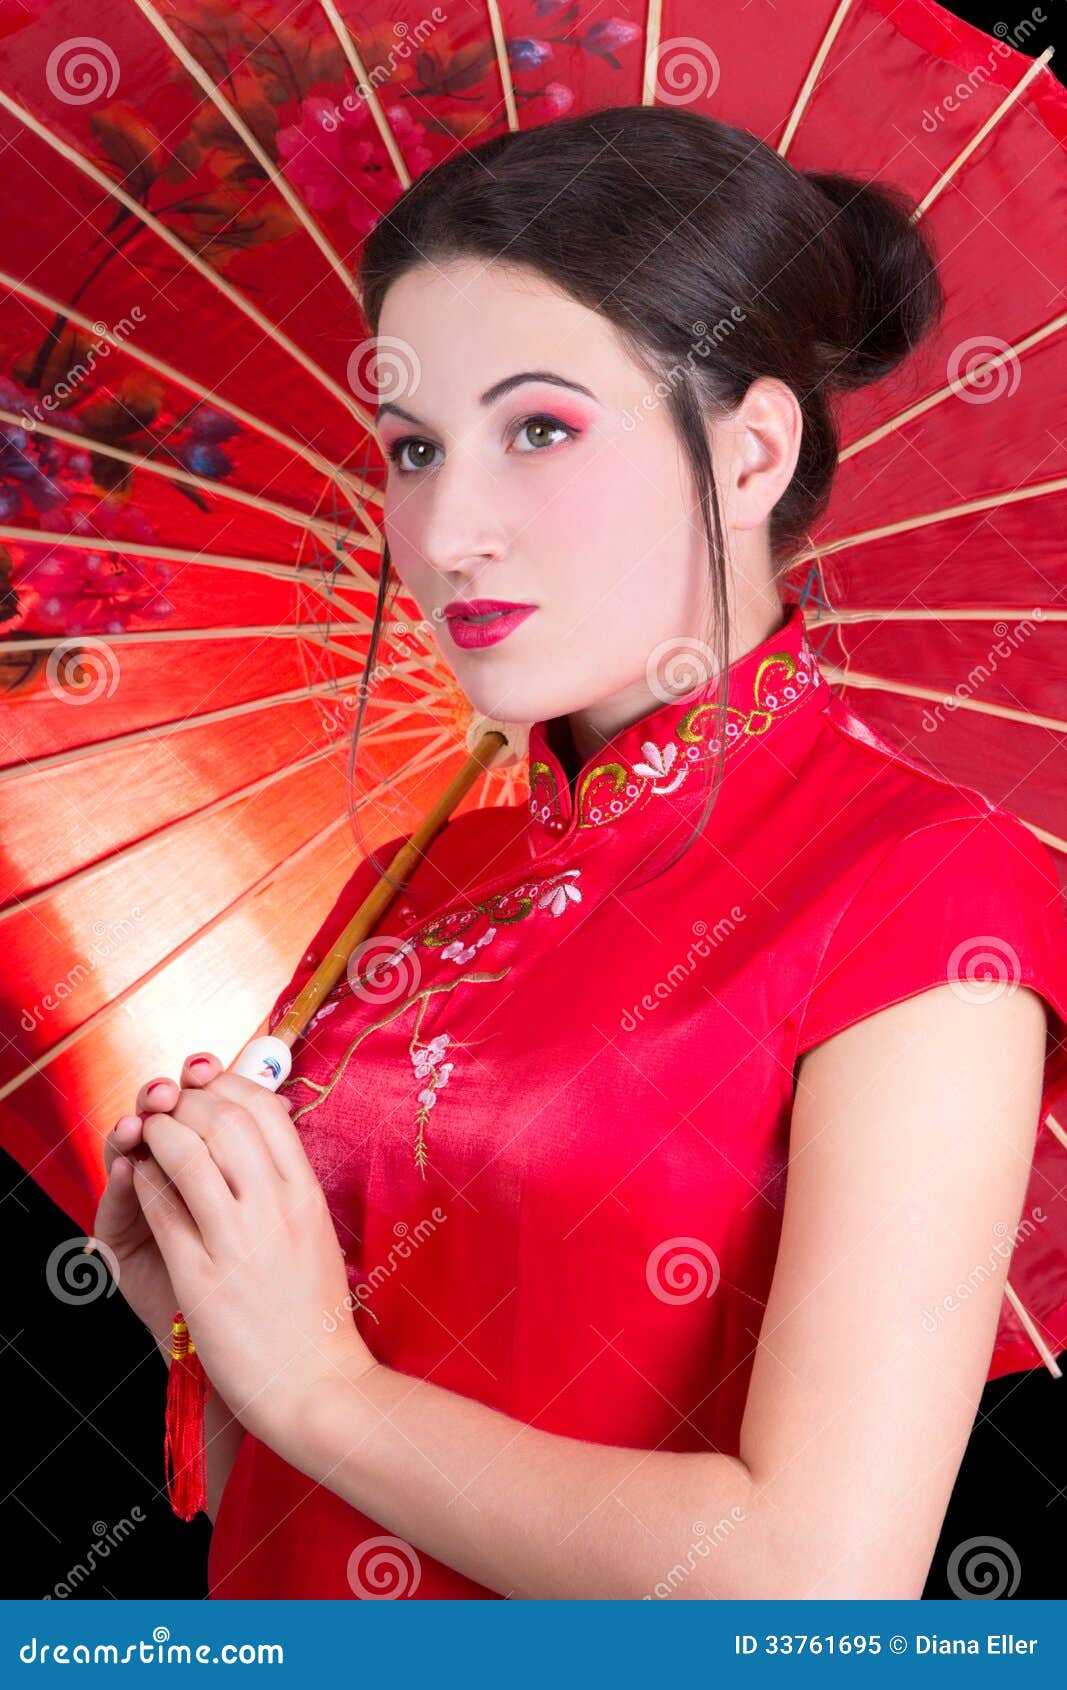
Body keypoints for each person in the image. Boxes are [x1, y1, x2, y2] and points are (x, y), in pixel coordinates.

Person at [93, 106, 1067, 1600]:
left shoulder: (927, 890)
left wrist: (321, 1390)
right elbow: (292, 1512)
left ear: (750, 454)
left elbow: (817, 1574)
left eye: (538, 428)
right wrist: (214, 1314)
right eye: (415, 445)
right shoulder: (409, 886)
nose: (447, 529)